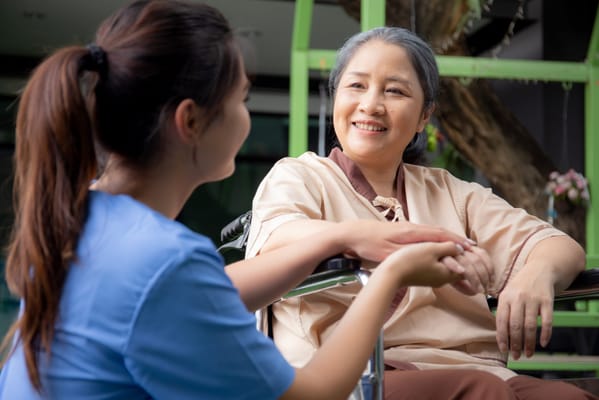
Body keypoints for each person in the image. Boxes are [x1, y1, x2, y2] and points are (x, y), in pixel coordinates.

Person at [0, 1, 486, 399]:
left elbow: (210, 292)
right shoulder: (165, 262)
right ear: (190, 122)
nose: (246, 118)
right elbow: (311, 395)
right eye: (242, 99)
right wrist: (395, 274)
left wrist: (342, 234)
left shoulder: (85, 219)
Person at [245, 26, 597, 399]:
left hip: (474, 368)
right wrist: (375, 241)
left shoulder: (452, 193)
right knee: (480, 391)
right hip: (355, 373)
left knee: (567, 397)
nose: (371, 104)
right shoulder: (301, 176)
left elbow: (557, 245)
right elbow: (277, 238)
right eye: (356, 86)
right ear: (335, 98)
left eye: (394, 90)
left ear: (424, 115)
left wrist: (536, 273)